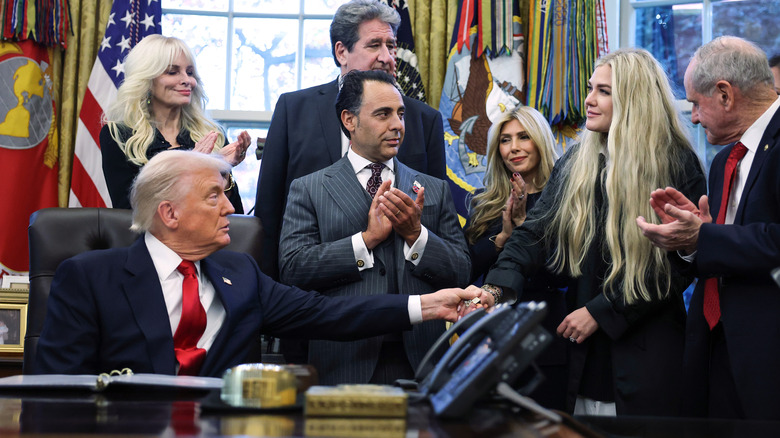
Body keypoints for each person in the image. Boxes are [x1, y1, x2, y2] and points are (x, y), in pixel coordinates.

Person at [33, 150, 479, 377]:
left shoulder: (240, 274)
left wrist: (428, 305)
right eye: (214, 196)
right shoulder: (90, 277)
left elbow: (330, 314)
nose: (230, 208)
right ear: (169, 214)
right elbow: (59, 391)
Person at [469, 48, 706, 416]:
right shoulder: (577, 162)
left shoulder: (676, 162)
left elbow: (677, 266)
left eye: (604, 91)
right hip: (582, 354)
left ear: (634, 99)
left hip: (647, 352)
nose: (589, 100)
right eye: (590, 88)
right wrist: (494, 288)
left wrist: (601, 311)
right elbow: (533, 234)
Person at [278, 70, 470, 385]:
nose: (398, 125)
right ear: (349, 120)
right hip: (343, 360)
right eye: (383, 114)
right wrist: (365, 241)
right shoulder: (309, 188)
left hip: (422, 363)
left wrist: (416, 236)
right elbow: (293, 269)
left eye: (401, 114)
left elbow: (462, 270)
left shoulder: (434, 189)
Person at [636, 36, 780, 421]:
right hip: (714, 350)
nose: (694, 118)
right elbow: (724, 249)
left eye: (696, 105)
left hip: (766, 359)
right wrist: (692, 242)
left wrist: (706, 236)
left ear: (725, 94)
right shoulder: (722, 162)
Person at [254, 0, 446, 281]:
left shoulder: (423, 120)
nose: (387, 57)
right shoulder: (293, 110)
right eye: (374, 45)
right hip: (314, 292)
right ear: (342, 52)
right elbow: (269, 214)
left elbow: (436, 217)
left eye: (391, 46)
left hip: (403, 291)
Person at [463, 106, 567, 410]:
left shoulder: (565, 197)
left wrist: (524, 227)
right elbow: (464, 269)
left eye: (524, 137)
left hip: (548, 333)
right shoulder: (484, 201)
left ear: (541, 141)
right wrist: (502, 238)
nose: (514, 148)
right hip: (492, 336)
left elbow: (566, 272)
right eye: (505, 140)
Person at [101, 34, 250, 213]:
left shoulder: (211, 133)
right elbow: (129, 211)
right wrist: (187, 168)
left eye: (190, 72)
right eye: (172, 72)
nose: (186, 80)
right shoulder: (119, 134)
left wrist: (222, 171)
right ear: (147, 80)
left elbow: (234, 215)